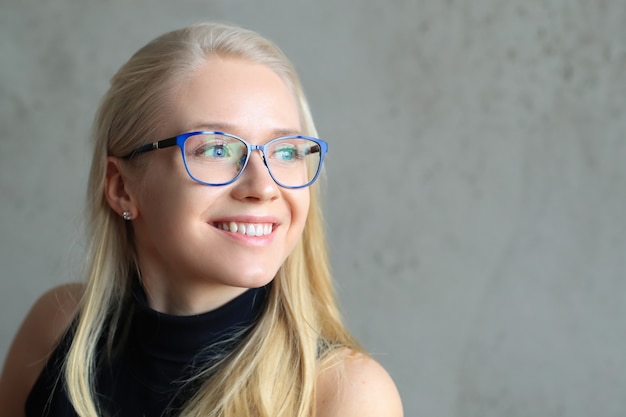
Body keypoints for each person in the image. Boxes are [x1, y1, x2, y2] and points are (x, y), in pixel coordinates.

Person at [0, 22, 403, 417]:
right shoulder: (54, 329)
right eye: (215, 149)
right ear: (122, 187)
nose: (262, 187)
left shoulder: (348, 397)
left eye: (285, 152)